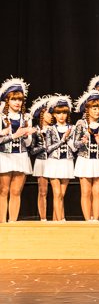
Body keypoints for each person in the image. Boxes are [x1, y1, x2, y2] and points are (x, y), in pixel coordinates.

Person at [70, 90, 99, 222]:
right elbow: (74, 144)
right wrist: (83, 142)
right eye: (94, 108)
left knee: (98, 192)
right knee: (86, 192)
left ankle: (96, 220)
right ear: (88, 110)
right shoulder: (81, 124)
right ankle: (87, 221)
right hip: (84, 160)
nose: (97, 111)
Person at [0, 78, 35, 223]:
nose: (17, 102)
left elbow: (28, 143)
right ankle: (2, 223)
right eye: (14, 99)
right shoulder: (1, 117)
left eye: (19, 99)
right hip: (5, 155)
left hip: (21, 156)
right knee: (3, 190)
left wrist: (26, 135)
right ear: (7, 100)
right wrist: (14, 135)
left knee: (16, 191)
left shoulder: (26, 117)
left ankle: (13, 223)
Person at [43, 95, 74, 222]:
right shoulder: (50, 129)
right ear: (54, 115)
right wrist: (62, 140)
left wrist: (78, 141)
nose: (61, 116)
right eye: (58, 113)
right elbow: (48, 148)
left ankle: (57, 220)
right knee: (57, 193)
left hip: (67, 162)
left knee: (62, 194)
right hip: (53, 162)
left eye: (64, 113)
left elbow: (74, 148)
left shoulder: (72, 128)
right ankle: (60, 221)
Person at [29, 95, 54, 221]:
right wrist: (43, 147)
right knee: (43, 191)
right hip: (41, 161)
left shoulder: (55, 129)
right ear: (42, 115)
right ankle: (43, 219)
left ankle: (57, 218)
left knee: (57, 192)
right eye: (49, 114)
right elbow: (32, 150)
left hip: (54, 161)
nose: (51, 116)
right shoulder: (36, 130)